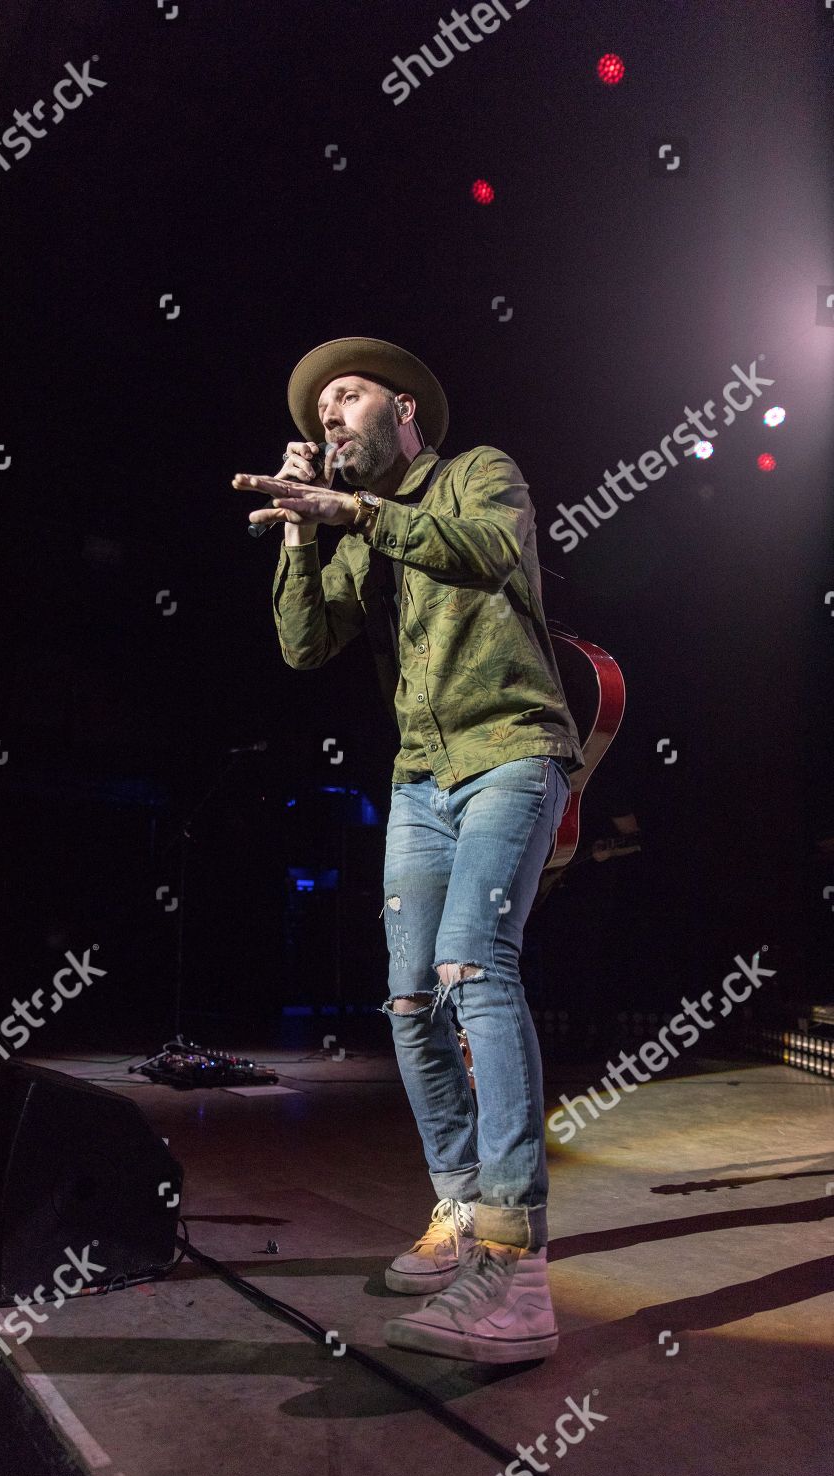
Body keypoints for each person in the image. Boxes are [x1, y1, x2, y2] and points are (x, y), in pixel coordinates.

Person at [232, 336, 584, 1364]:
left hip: (510, 750)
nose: (329, 415)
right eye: (319, 408)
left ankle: (516, 1271)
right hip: (420, 777)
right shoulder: (350, 532)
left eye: (348, 396)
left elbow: (484, 551)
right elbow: (303, 646)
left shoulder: (480, 472)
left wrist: (355, 514)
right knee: (407, 1001)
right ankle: (462, 1212)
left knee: (474, 965)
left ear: (403, 411)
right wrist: (304, 535)